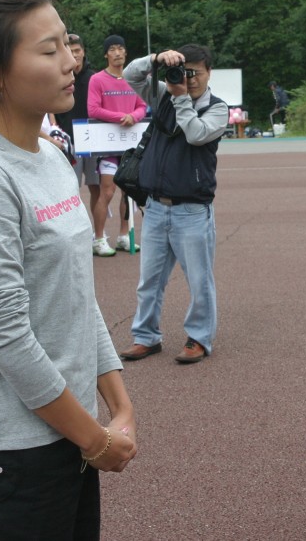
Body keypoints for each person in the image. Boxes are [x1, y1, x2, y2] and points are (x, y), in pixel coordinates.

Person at [0, 0, 136, 539]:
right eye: (49, 50)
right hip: (12, 459)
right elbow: (5, 335)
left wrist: (117, 405)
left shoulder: (50, 156)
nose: (72, 60)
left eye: (67, 43)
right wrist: (95, 437)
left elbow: (75, 291)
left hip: (70, 440)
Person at [118, 44, 229, 364]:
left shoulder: (217, 109)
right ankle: (145, 336)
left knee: (199, 281)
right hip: (155, 206)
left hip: (192, 210)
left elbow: (196, 134)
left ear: (209, 73)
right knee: (149, 280)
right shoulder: (163, 97)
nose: (189, 79)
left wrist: (180, 97)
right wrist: (155, 60)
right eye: (184, 71)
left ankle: (199, 338)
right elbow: (129, 75)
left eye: (196, 72)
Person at [87, 35, 146, 256]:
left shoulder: (134, 79)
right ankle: (99, 238)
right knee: (107, 191)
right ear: (106, 54)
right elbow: (93, 109)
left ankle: (124, 236)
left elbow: (142, 105)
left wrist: (134, 116)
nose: (118, 53)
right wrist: (121, 116)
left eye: (121, 48)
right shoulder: (97, 80)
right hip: (107, 146)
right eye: (112, 49)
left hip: (131, 146)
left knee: (129, 192)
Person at [53, 33, 101, 205]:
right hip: (68, 139)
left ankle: (99, 231)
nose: (74, 54)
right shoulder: (60, 77)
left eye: (77, 50)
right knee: (70, 188)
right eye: (70, 50)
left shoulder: (94, 78)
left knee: (97, 187)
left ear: (83, 52)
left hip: (92, 140)